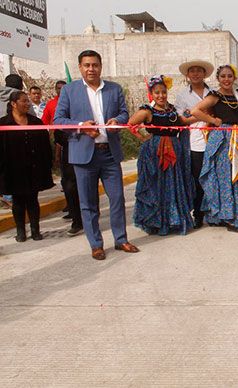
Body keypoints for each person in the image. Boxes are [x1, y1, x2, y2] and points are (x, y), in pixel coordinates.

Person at [54, 49, 139, 261]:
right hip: (83, 155)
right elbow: (59, 120)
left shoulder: (114, 89)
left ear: (101, 66)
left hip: (109, 153)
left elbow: (124, 113)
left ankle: (121, 239)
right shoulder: (69, 91)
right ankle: (96, 244)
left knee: (118, 198)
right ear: (80, 68)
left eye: (95, 65)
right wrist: (81, 126)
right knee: (88, 202)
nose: (91, 69)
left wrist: (116, 122)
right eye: (87, 65)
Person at [128, 75, 198, 235]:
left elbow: (184, 122)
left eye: (163, 92)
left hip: (174, 151)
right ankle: (157, 222)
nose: (161, 96)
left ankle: (173, 220)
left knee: (173, 185)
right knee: (156, 186)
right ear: (151, 94)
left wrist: (202, 116)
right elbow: (130, 124)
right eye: (157, 93)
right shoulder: (147, 110)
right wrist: (143, 138)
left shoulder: (173, 110)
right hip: (154, 153)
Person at [191, 65, 238, 233]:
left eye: (229, 76)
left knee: (237, 176)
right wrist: (215, 121)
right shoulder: (215, 95)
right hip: (221, 140)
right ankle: (229, 217)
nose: (226, 79)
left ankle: (224, 215)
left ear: (234, 78)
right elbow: (195, 111)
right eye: (223, 76)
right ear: (218, 79)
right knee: (225, 177)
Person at [0, 91, 54, 242]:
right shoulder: (3, 123)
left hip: (33, 168)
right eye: (23, 101)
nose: (27, 104)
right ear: (13, 104)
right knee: (18, 201)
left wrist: (47, 164)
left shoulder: (36, 122)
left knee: (32, 199)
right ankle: (20, 231)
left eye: (27, 101)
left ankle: (35, 230)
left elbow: (45, 146)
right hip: (13, 169)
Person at [174, 59, 214, 229]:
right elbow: (180, 120)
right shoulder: (183, 95)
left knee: (213, 178)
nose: (196, 74)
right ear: (187, 75)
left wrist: (196, 114)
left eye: (199, 70)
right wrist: (201, 115)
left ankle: (214, 213)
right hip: (193, 142)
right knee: (197, 179)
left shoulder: (213, 93)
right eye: (192, 71)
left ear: (205, 74)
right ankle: (198, 213)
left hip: (213, 140)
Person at [43, 80, 83, 236]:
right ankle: (76, 220)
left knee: (86, 186)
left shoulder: (78, 106)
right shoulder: (56, 108)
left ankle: (89, 216)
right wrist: (57, 153)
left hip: (84, 149)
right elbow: (56, 131)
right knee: (70, 186)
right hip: (68, 151)